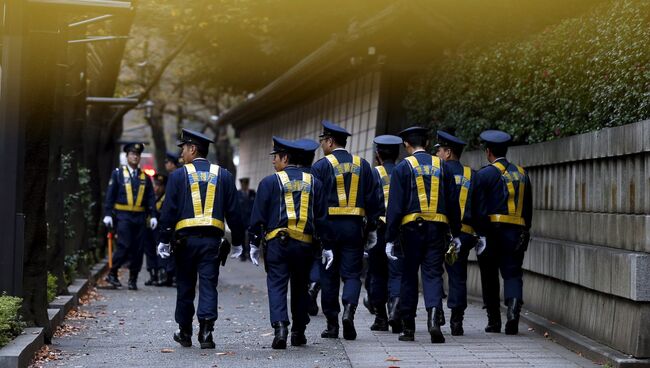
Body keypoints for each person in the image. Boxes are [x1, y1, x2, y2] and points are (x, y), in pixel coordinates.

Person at [157, 128, 245, 349]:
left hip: (184, 242)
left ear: (193, 149)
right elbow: (235, 212)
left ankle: (185, 331)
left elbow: (169, 210)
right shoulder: (224, 175)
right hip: (212, 243)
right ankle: (206, 333)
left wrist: (163, 238)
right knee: (208, 285)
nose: (182, 154)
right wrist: (238, 242)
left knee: (185, 286)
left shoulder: (178, 175)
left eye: (184, 148)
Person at [248, 137, 327, 349]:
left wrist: (254, 243)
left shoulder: (268, 182)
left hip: (277, 244)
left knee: (276, 284)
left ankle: (280, 327)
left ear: (285, 157)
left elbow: (257, 217)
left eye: (276, 156)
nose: (273, 161)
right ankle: (298, 331)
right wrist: (326, 246)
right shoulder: (315, 183)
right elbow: (322, 218)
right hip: (304, 245)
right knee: (300, 286)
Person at [385, 126, 461, 344]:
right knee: (432, 274)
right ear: (427, 144)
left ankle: (408, 328)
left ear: (407, 145)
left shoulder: (402, 168)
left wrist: (389, 237)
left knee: (409, 277)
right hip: (437, 229)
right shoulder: (443, 166)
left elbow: (395, 207)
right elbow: (453, 203)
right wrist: (456, 233)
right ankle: (434, 320)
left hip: (410, 230)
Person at [311, 120, 381, 340]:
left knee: (328, 274)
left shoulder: (320, 166)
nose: (322, 145)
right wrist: (370, 229)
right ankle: (349, 312)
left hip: (329, 227)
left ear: (330, 141)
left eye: (323, 141)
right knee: (352, 274)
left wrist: (316, 231)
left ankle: (332, 324)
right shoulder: (363, 165)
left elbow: (314, 201)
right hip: (354, 227)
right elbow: (374, 200)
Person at [474, 130, 532, 335]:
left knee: (489, 277)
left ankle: (494, 321)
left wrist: (479, 233)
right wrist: (525, 231)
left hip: (490, 233)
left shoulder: (483, 175)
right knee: (513, 274)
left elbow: (479, 210)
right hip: (515, 233)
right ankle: (514, 313)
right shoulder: (522, 173)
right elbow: (528, 208)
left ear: (488, 151)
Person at [434, 130, 479, 336]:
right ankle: (456, 320)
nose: (437, 155)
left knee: (432, 272)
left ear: (448, 152)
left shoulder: (437, 172)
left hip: (439, 231)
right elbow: (480, 209)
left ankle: (436, 312)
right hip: (465, 235)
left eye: (439, 151)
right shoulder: (473, 175)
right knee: (458, 276)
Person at [103, 142, 157, 290]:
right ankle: (113, 273)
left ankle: (133, 278)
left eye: (137, 154)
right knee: (124, 245)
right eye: (132, 154)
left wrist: (153, 215)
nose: (135, 156)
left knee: (138, 249)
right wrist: (107, 214)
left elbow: (151, 197)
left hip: (139, 217)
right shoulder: (118, 174)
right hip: (123, 216)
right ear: (127, 156)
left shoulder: (145, 177)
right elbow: (110, 195)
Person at [366, 134, 404, 333]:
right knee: (397, 273)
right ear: (398, 154)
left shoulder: (373, 174)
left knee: (377, 274)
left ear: (378, 154)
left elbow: (368, 203)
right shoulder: (403, 171)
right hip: (399, 231)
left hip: (378, 231)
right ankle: (396, 310)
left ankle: (380, 318)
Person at [294, 138, 323, 317]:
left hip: (293, 229)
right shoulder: (317, 177)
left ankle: (304, 296)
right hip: (314, 227)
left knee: (298, 267)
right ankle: (314, 287)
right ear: (313, 157)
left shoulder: (290, 176)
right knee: (316, 260)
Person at [144, 174, 168, 286]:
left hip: (160, 229)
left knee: (161, 251)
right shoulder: (150, 196)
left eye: (159, 185)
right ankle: (152, 274)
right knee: (149, 250)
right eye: (155, 185)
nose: (156, 188)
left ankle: (162, 274)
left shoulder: (166, 198)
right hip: (148, 228)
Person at [231, 178, 256, 261]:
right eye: (243, 184)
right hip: (240, 219)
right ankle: (243, 254)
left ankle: (249, 253)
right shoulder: (237, 194)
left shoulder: (252, 193)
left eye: (245, 184)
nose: (244, 186)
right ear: (241, 184)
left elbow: (255, 205)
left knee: (250, 237)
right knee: (241, 237)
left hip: (250, 219)